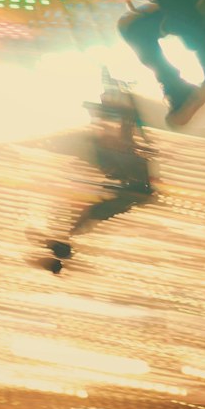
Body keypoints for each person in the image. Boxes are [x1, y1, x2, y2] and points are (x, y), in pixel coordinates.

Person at [44, 77, 153, 271]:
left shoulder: (117, 149)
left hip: (132, 187)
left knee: (90, 213)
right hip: (131, 186)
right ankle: (64, 244)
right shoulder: (119, 147)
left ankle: (65, 245)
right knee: (90, 213)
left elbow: (126, 135)